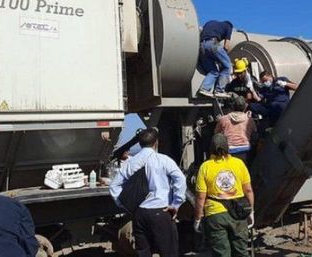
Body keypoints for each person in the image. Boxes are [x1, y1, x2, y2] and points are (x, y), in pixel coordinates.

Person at [109, 128, 187, 257]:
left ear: (139, 144)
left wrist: (125, 205)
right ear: (156, 142)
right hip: (161, 211)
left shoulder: (130, 162)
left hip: (139, 213)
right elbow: (180, 179)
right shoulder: (164, 160)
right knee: (168, 251)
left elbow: (114, 186)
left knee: (143, 252)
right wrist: (176, 204)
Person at [194, 134, 255, 257]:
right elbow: (248, 190)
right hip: (238, 213)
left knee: (221, 253)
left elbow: (201, 197)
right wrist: (251, 211)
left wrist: (198, 218)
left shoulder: (205, 167)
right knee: (241, 252)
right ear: (228, 147)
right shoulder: (238, 163)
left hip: (215, 214)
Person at [215, 95, 257, 163]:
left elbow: (216, 134)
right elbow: (254, 135)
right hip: (245, 148)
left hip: (229, 149)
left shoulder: (223, 119)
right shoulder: (250, 120)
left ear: (233, 106)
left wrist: (219, 121)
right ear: (245, 107)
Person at [198, 20, 234, 98]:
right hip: (213, 44)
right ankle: (219, 90)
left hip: (201, 46)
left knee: (213, 71)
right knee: (227, 66)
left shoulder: (210, 22)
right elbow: (226, 46)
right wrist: (223, 58)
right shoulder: (229, 26)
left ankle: (204, 89)